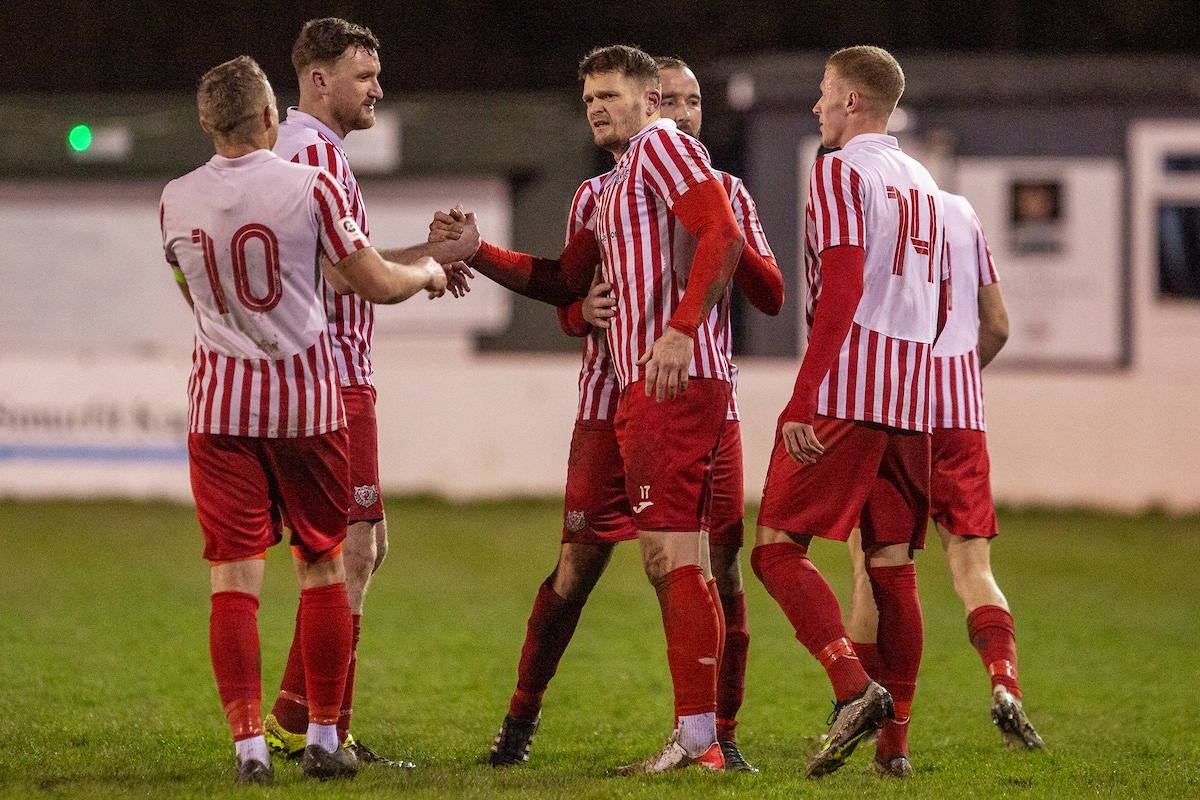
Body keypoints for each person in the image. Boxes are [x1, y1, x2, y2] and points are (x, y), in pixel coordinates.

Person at [433, 45, 749, 774]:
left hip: (671, 381)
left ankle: (708, 735)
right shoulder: (604, 190)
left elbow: (725, 240)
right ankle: (526, 718)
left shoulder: (666, 150)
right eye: (588, 98)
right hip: (615, 399)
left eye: (610, 93)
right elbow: (567, 281)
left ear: (650, 99)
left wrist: (679, 328)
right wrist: (480, 251)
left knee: (690, 560)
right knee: (588, 570)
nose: (598, 106)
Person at [159, 55, 448, 785]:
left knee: (233, 579)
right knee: (322, 566)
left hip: (220, 404)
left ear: (205, 123)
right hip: (305, 402)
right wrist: (430, 271)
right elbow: (373, 281)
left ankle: (250, 747)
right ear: (266, 118)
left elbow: (190, 295)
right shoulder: (308, 184)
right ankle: (322, 735)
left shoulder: (174, 200)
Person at [262, 17, 477, 767]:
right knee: (350, 552)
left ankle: (299, 715)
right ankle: (324, 728)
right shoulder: (312, 154)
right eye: (364, 75)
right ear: (319, 80)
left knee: (365, 547)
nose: (378, 88)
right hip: (330, 379)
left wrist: (428, 253)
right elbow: (349, 274)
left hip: (335, 375)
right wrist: (426, 269)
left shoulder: (305, 149)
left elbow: (348, 259)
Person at [750, 45, 949, 780]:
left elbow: (840, 289)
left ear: (854, 103)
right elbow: (942, 298)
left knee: (774, 547)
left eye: (825, 94)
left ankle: (851, 690)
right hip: (912, 393)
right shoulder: (922, 180)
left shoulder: (840, 169)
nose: (817, 107)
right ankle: (894, 749)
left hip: (850, 389)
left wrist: (803, 399)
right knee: (893, 569)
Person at [843, 191, 1045, 752]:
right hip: (961, 417)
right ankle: (1005, 685)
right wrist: (960, 376)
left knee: (872, 568)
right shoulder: (962, 212)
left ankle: (867, 716)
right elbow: (998, 325)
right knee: (972, 568)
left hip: (895, 410)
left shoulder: (871, 207)